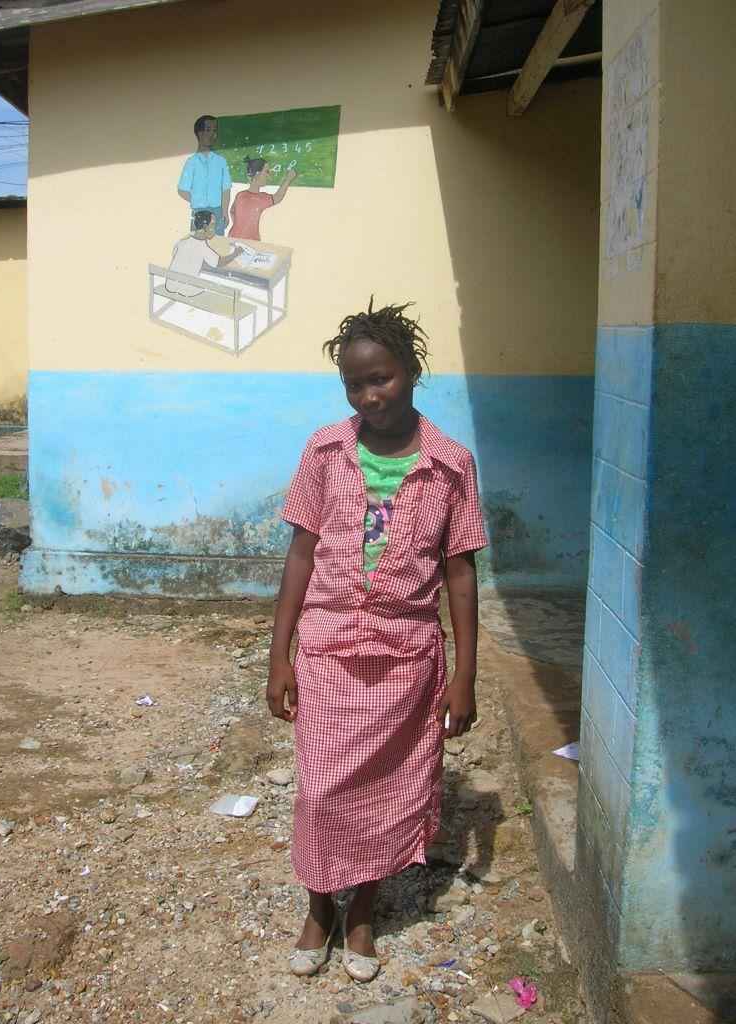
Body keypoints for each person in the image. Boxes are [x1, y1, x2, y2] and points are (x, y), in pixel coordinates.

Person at [266, 300, 487, 983]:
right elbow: (301, 554)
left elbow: (460, 572)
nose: (369, 395)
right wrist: (278, 657)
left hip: (405, 659)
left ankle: (361, 911)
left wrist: (464, 676)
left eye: (382, 378)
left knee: (387, 790)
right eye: (355, 384)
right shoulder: (324, 452)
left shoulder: (451, 465)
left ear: (413, 372)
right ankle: (318, 907)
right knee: (321, 789)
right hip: (328, 649)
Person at [165, 210, 241, 297]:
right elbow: (219, 263)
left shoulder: (182, 242)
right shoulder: (202, 246)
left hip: (170, 286)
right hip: (187, 291)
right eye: (213, 224)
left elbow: (174, 254)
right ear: (205, 226)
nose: (215, 228)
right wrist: (236, 253)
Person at [178, 115, 232, 236]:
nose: (213, 134)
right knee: (198, 244)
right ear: (199, 133)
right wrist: (198, 200)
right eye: (208, 130)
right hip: (199, 212)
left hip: (217, 213)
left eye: (215, 130)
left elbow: (226, 189)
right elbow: (182, 190)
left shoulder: (221, 161)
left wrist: (225, 211)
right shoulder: (192, 162)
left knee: (217, 244)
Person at [229, 156, 297, 241]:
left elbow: (232, 211)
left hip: (233, 238)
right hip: (251, 242)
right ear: (257, 174)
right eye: (266, 172)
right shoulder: (261, 199)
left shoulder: (240, 195)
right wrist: (288, 179)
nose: (268, 175)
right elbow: (278, 197)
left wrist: (240, 227)